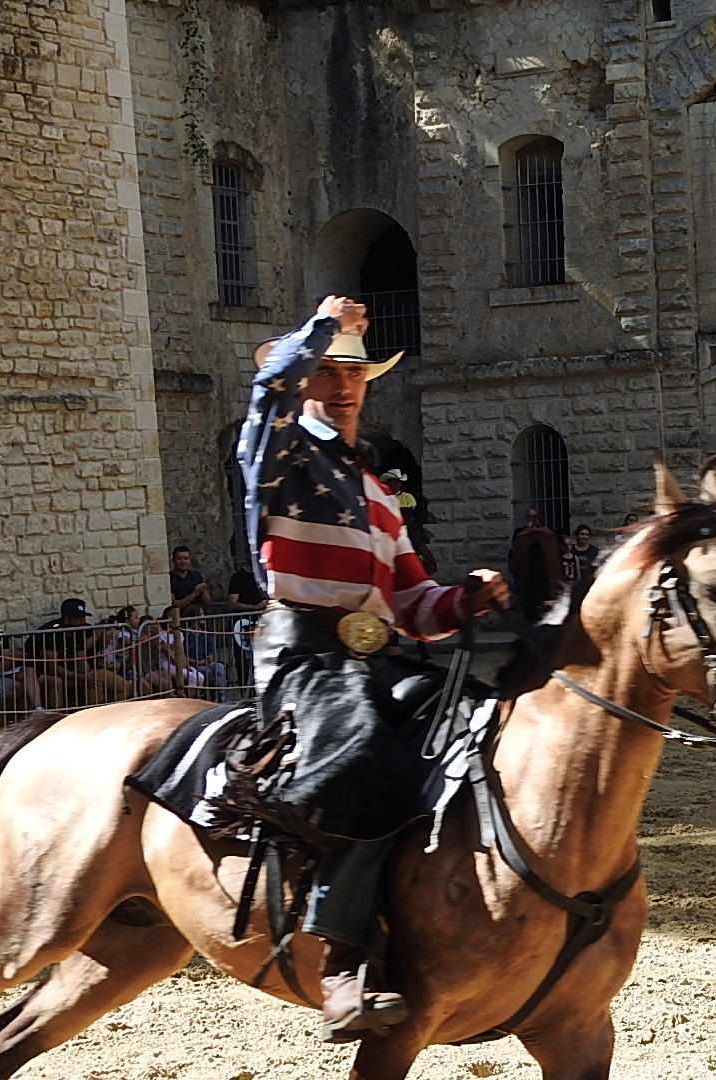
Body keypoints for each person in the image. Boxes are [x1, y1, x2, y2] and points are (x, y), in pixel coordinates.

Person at [238, 296, 511, 1040]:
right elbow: (267, 395)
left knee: (482, 724)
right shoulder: (281, 452)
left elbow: (414, 602)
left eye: (354, 372)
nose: (343, 383)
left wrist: (470, 599)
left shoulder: (380, 490)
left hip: (375, 658)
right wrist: (320, 329)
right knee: (361, 754)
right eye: (326, 371)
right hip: (302, 655)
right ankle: (344, 960)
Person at [509, 507, 564, 620]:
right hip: (527, 571)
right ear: (526, 518)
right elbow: (514, 552)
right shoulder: (519, 533)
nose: (532, 519)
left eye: (535, 517)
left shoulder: (547, 532)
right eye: (530, 517)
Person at [168, 547, 213, 614]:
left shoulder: (196, 576)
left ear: (190, 560)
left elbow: (208, 602)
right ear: (173, 560)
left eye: (186, 558)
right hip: (181, 619)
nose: (183, 561)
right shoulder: (169, 578)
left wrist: (204, 590)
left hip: (200, 618)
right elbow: (174, 605)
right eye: (179, 558)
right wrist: (193, 594)